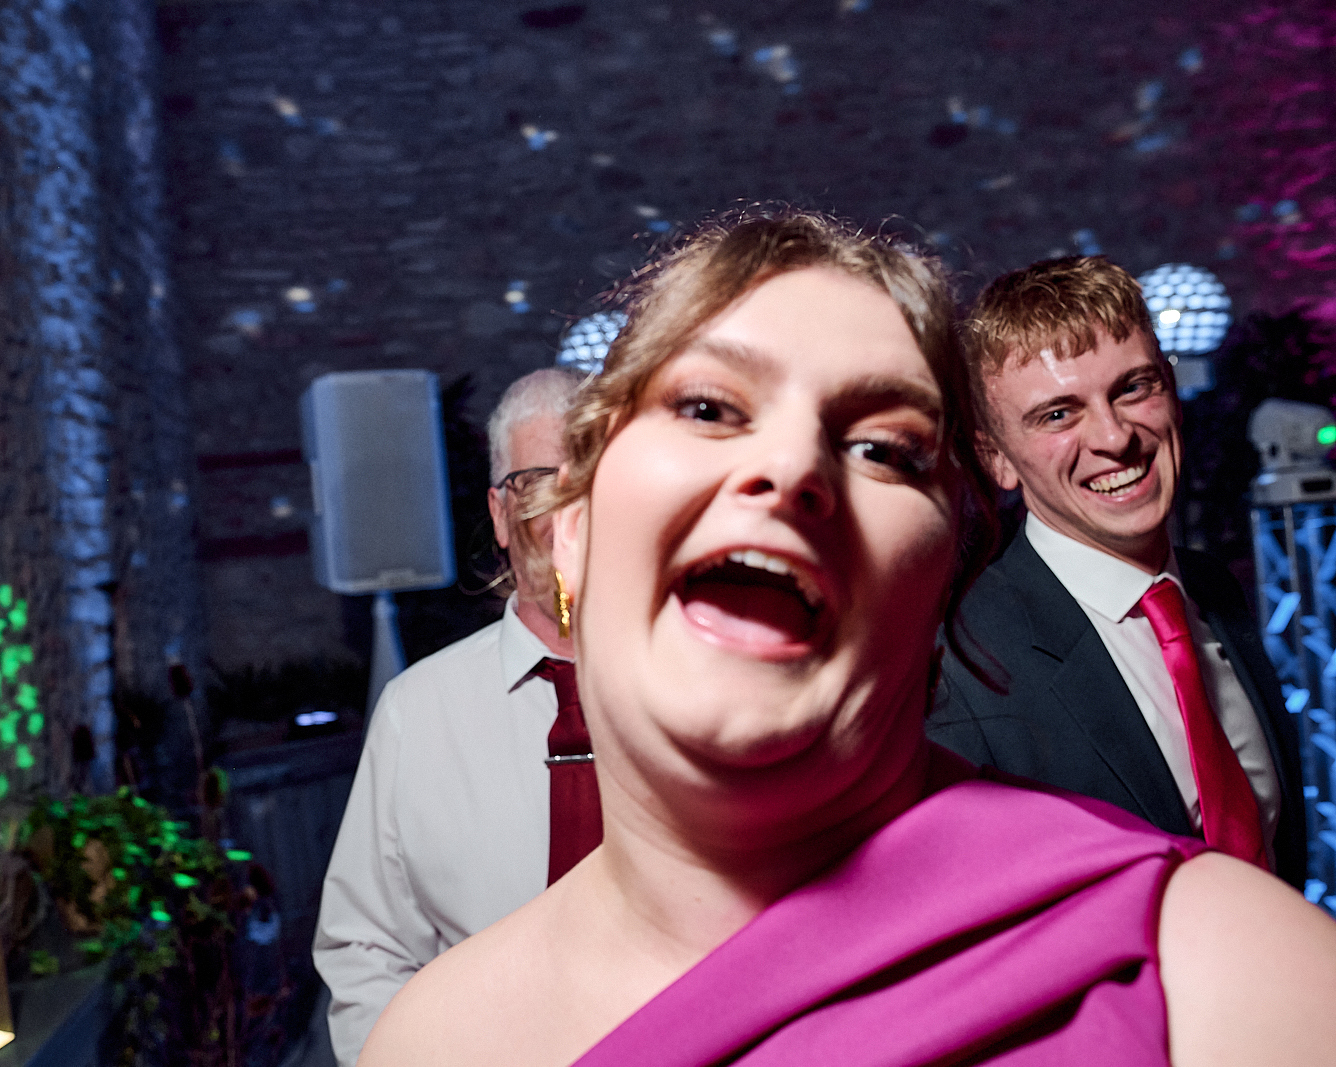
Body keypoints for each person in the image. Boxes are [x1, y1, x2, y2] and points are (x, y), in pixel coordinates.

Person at [358, 209, 1336, 1067]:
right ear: (567, 532)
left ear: (943, 574)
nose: (791, 465)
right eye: (707, 407)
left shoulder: (1218, 970)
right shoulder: (435, 1040)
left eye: (883, 448)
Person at [928, 256, 1306, 886]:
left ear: (1172, 393)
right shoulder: (965, 665)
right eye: (1058, 414)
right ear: (996, 459)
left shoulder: (1213, 591)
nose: (1114, 437)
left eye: (1133, 388)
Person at [313, 367, 593, 1067]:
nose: (566, 514)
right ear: (499, 513)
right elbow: (366, 950)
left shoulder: (693, 689)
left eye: (591, 483)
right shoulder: (418, 713)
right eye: (538, 482)